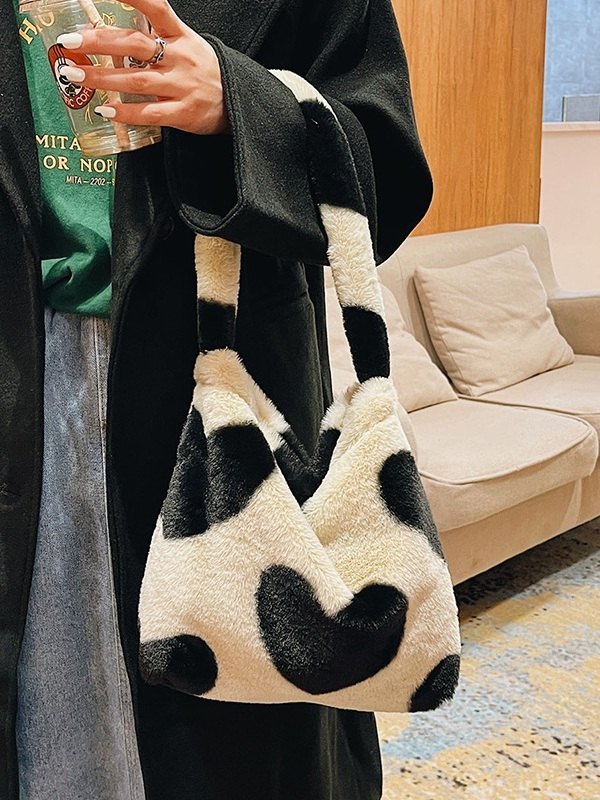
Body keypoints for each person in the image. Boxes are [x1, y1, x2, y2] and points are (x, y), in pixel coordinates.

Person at [0, 0, 433, 798]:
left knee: (234, 745)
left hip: (222, 388)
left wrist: (241, 105)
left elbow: (389, 178)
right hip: (21, 382)